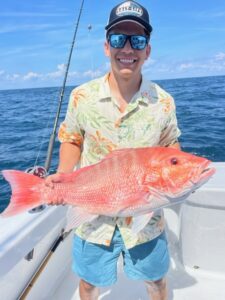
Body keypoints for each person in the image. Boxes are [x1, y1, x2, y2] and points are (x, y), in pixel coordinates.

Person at [46, 1, 181, 299]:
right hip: (93, 214)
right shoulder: (82, 97)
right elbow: (72, 139)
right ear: (107, 47)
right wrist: (63, 176)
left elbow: (171, 143)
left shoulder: (165, 102)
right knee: (88, 283)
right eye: (119, 39)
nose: (128, 49)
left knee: (156, 281)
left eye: (138, 40)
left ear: (148, 50)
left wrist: (179, 173)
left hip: (147, 218)